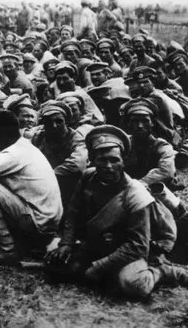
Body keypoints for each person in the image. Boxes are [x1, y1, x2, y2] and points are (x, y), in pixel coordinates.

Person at [45, 125, 188, 299]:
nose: (108, 166)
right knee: (54, 264)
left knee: (134, 285)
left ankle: (162, 270)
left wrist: (100, 266)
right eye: (102, 160)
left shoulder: (135, 194)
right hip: (97, 242)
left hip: (128, 248)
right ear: (91, 159)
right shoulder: (88, 177)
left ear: (124, 161)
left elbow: (138, 245)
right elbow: (73, 212)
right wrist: (66, 243)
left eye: (114, 160)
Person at [0, 110, 63, 266]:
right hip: (47, 220)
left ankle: (5, 248)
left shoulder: (14, 154)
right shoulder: (23, 147)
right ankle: (20, 243)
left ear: (1, 133)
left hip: (39, 224)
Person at [31, 101, 88, 207]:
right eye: (48, 122)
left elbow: (77, 165)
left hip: (69, 188)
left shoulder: (76, 139)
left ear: (66, 122)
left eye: (59, 121)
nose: (54, 126)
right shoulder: (38, 138)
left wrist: (49, 176)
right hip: (42, 187)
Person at [121, 98, 177, 187]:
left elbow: (166, 172)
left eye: (145, 121)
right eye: (135, 121)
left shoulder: (162, 146)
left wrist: (138, 185)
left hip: (153, 192)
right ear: (128, 123)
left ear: (152, 123)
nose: (140, 126)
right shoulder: (123, 144)